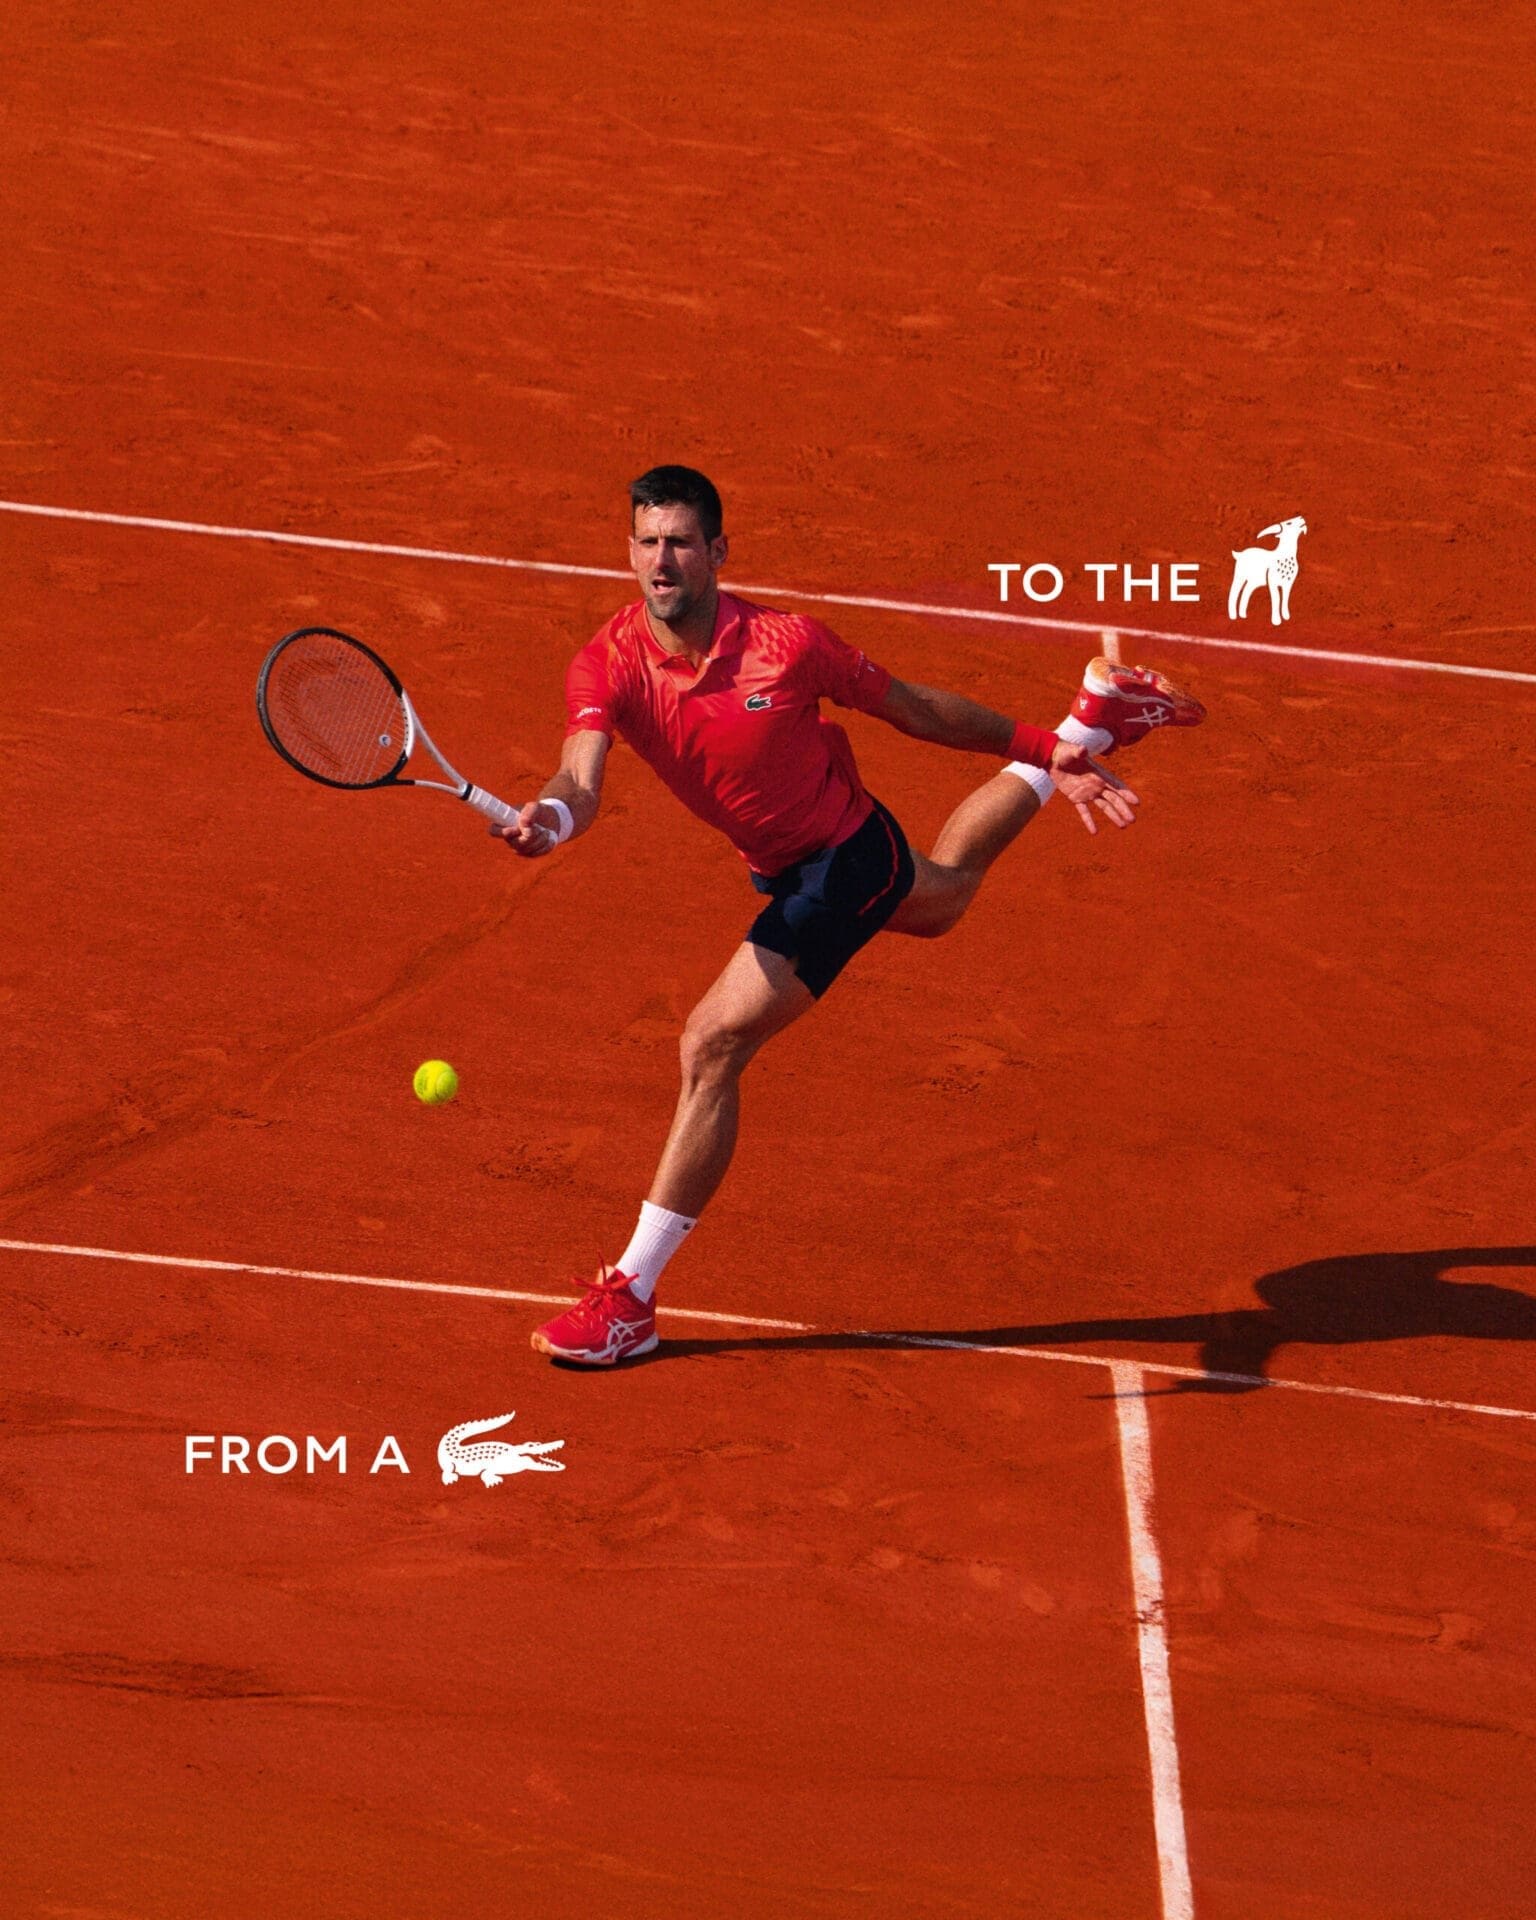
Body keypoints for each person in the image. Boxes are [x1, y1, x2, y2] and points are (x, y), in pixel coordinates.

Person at [493, 466, 1204, 1365]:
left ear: (717, 551)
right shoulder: (608, 662)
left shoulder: (788, 644)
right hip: (787, 861)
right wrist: (553, 819)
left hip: (841, 857)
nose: (661, 560)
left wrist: (1031, 743)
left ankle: (630, 1298)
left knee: (713, 1043)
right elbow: (580, 777)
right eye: (646, 542)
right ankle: (1093, 722)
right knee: (942, 898)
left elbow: (913, 709)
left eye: (679, 542)